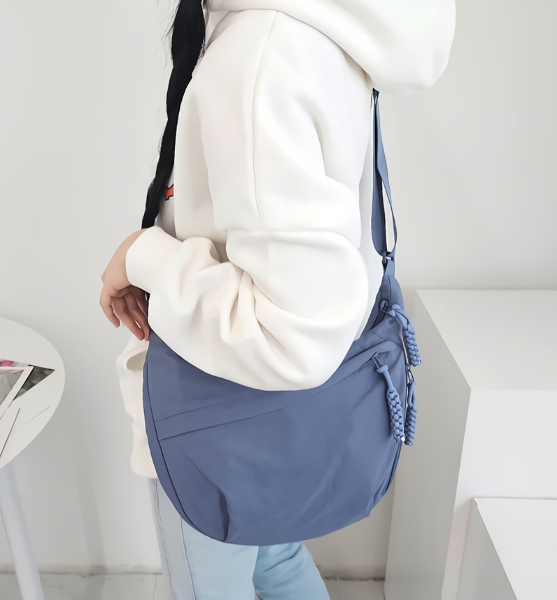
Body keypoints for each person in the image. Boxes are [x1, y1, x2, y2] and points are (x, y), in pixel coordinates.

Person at [100, 0, 456, 598]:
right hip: (273, 415)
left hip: (220, 418)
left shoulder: (258, 57)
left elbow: (291, 335)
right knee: (276, 558)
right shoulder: (322, 26)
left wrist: (145, 256)